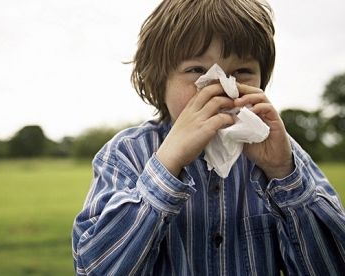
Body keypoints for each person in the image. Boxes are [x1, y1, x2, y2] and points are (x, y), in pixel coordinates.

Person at [71, 0, 345, 275]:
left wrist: (283, 174)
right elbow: (94, 267)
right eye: (196, 71)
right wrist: (166, 166)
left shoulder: (285, 155)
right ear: (159, 80)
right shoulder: (126, 154)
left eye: (242, 72)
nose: (221, 86)